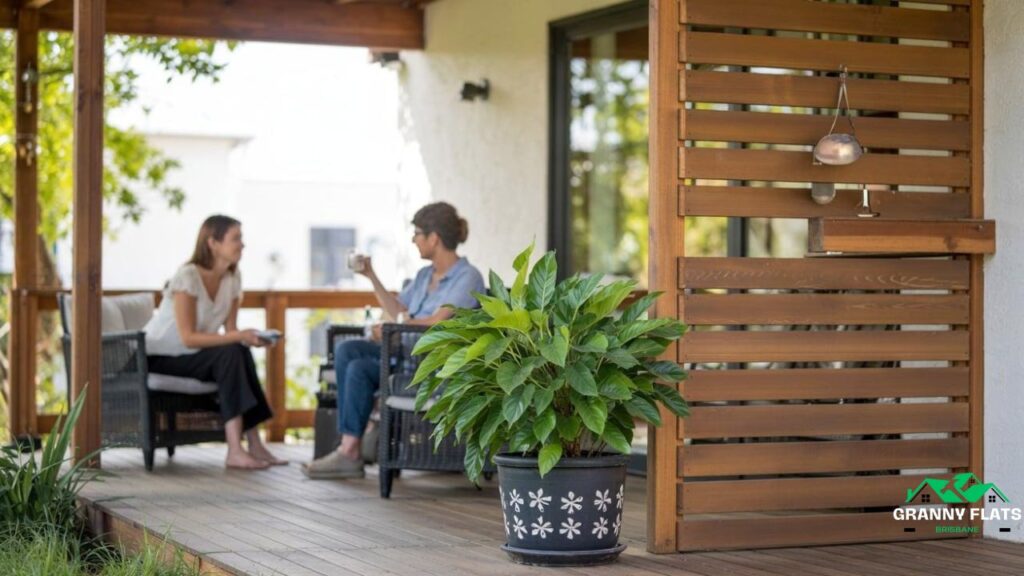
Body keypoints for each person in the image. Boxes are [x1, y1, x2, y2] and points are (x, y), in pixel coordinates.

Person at [303, 202, 484, 479]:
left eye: (417, 234)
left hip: (431, 368)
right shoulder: (424, 276)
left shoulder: (468, 277)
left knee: (359, 369)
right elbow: (398, 310)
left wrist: (394, 325)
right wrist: (371, 276)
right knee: (348, 350)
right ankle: (349, 447)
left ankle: (350, 448)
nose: (414, 240)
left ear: (434, 238)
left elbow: (438, 323)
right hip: (402, 359)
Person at [144, 215, 285, 470]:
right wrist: (238, 336)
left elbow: (230, 330)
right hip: (161, 356)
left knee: (238, 352)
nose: (242, 245)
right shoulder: (188, 276)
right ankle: (235, 449)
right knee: (231, 352)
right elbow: (187, 337)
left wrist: (251, 339)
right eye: (236, 238)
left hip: (194, 354)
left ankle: (252, 443)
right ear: (213, 243)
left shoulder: (232, 278)